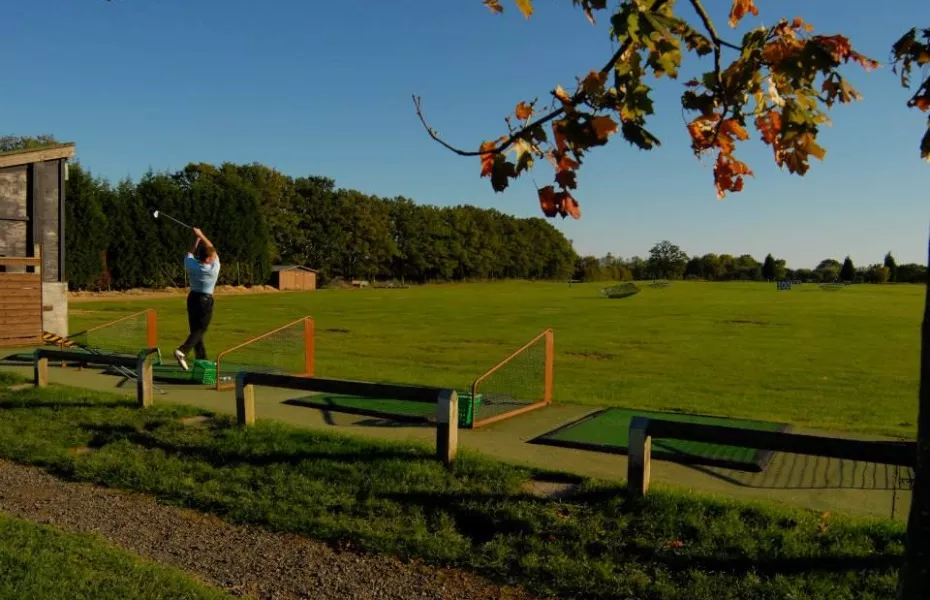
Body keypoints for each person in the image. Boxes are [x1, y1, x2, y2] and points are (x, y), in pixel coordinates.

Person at [174, 227, 220, 371]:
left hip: (192, 298)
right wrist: (201, 234)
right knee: (201, 329)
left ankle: (202, 359)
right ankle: (182, 351)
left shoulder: (191, 263)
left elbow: (189, 253)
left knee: (195, 330)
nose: (213, 257)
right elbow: (211, 247)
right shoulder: (213, 267)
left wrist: (196, 240)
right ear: (208, 258)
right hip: (205, 300)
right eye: (211, 256)